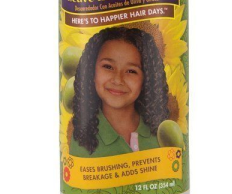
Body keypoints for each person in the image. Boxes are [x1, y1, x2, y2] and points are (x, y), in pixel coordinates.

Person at [69, 26, 169, 158]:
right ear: (91, 72)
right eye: (108, 67)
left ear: (146, 79)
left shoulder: (161, 134)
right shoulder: (82, 140)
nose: (118, 80)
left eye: (131, 71)